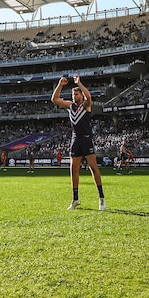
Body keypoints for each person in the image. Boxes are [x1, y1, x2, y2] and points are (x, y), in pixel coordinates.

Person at [52, 76, 106, 211]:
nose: (74, 96)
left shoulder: (85, 105)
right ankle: (75, 199)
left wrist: (79, 83)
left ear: (80, 95)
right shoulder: (70, 106)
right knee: (73, 169)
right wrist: (60, 84)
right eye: (73, 94)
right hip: (75, 140)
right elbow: (54, 99)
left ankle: (101, 198)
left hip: (86, 138)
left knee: (93, 168)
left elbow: (89, 97)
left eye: (76, 94)